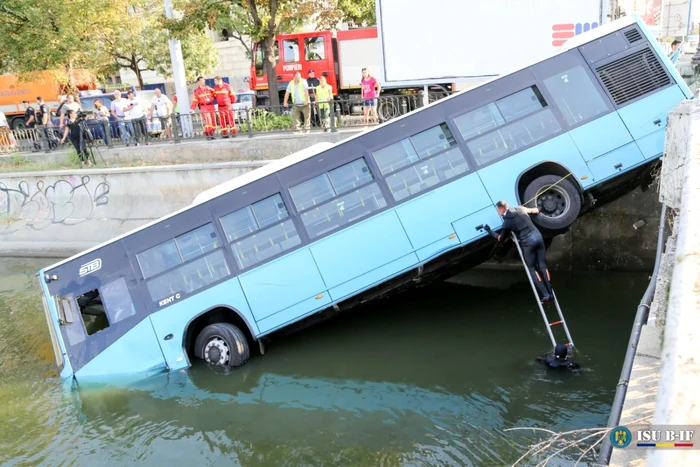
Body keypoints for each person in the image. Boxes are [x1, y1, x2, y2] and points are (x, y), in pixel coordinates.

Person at [483, 200, 554, 303]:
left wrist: (489, 230)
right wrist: (540, 207)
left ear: (501, 209)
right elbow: (536, 211)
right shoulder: (520, 208)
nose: (498, 212)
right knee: (543, 266)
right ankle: (550, 292)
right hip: (538, 238)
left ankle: (547, 295)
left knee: (532, 270)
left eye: (498, 210)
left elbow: (500, 239)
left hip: (528, 244)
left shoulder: (507, 223)